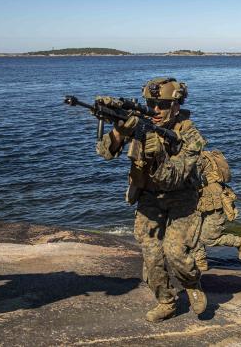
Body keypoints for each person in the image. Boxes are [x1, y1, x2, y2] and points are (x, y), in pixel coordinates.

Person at [96, 77, 207, 323]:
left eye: (162, 105)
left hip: (181, 199)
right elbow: (105, 152)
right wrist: (118, 130)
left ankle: (192, 283)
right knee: (152, 255)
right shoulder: (141, 122)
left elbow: (173, 178)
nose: (155, 110)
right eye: (150, 103)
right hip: (148, 197)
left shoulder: (191, 135)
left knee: (175, 252)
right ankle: (166, 301)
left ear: (176, 107)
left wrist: (156, 152)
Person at [193, 150, 241, 271]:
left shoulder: (199, 158)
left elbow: (187, 175)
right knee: (193, 231)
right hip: (195, 200)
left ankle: (239, 242)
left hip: (212, 201)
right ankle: (200, 259)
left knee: (208, 237)